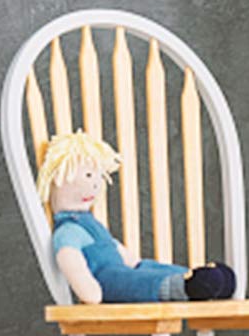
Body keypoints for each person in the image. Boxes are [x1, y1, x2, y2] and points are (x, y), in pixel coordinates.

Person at [35, 130, 236, 304]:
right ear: (59, 179)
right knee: (133, 282)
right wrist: (89, 290)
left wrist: (134, 261)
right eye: (88, 176)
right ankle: (188, 287)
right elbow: (70, 260)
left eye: (97, 175)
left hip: (123, 268)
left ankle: (197, 278)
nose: (96, 183)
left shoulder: (89, 222)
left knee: (149, 268)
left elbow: (112, 245)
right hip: (106, 279)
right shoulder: (67, 231)